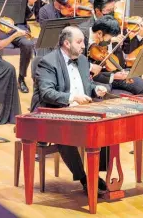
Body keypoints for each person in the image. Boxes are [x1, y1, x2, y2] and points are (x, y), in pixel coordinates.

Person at [31, 26, 108, 195]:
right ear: (66, 43)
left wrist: (96, 89)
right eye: (79, 42)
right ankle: (84, 178)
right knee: (65, 132)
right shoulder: (48, 62)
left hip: (80, 109)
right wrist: (72, 98)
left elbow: (87, 85)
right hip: (52, 110)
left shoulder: (81, 59)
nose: (83, 46)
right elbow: (47, 93)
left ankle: (98, 173)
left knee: (108, 124)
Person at [89, 14, 143, 96]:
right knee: (104, 91)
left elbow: (127, 49)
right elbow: (89, 72)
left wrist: (121, 72)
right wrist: (113, 76)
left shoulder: (116, 28)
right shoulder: (88, 41)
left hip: (118, 71)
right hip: (100, 76)